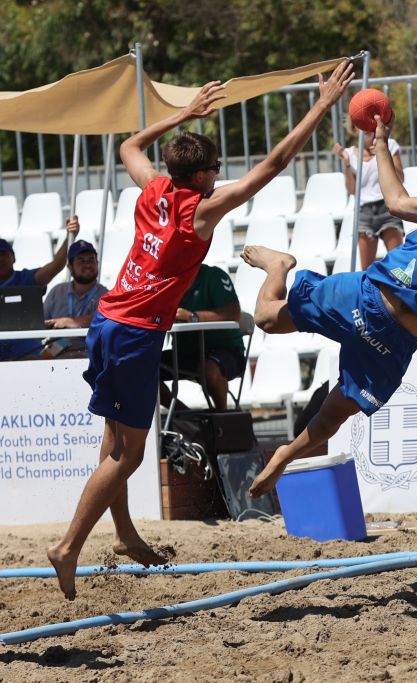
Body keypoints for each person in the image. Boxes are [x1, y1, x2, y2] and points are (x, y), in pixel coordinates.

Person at [46, 59, 356, 601]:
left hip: (107, 322)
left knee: (113, 439)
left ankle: (123, 534)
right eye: (215, 166)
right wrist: (322, 105)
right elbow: (275, 164)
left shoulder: (154, 188)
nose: (220, 172)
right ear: (205, 173)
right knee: (129, 456)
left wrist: (182, 113)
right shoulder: (200, 211)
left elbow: (128, 148)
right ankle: (68, 546)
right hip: (136, 332)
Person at [242, 113, 417, 499]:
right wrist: (380, 143)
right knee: (265, 319)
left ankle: (282, 458)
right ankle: (279, 265)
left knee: (336, 413)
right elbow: (394, 201)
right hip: (365, 296)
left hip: (395, 342)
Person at [159, 263, 245, 411]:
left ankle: (221, 420)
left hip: (227, 351)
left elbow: (234, 313)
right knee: (141, 368)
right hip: (185, 353)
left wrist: (192, 317)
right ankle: (189, 420)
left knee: (209, 369)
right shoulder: (165, 283)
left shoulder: (214, 276)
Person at [0, 218, 79, 361]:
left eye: (3, 254)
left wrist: (70, 236)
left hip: (29, 355)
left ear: (13, 257)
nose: (0, 259)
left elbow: (56, 266)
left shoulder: (27, 279)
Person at [334, 124, 405, 270]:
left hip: (388, 208)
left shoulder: (389, 145)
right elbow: (353, 190)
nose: (366, 129)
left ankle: (398, 293)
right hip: (364, 212)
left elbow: (400, 178)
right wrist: (347, 164)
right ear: (354, 129)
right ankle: (372, 293)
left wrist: (383, 153)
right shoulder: (349, 153)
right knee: (367, 269)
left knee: (398, 266)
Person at [40, 238, 108, 359]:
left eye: (91, 260)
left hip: (89, 351)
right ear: (70, 267)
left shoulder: (106, 295)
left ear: (97, 263)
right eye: (81, 261)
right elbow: (40, 322)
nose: (87, 265)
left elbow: (101, 321)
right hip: (55, 350)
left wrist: (69, 322)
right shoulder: (57, 291)